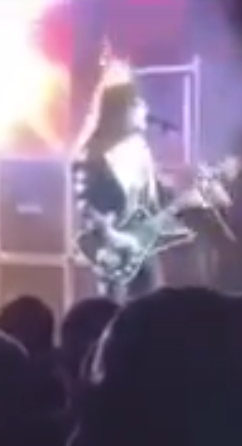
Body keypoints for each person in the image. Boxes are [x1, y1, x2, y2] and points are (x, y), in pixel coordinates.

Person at [71, 58, 191, 302]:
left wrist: (180, 193)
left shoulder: (140, 150)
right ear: (121, 110)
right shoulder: (93, 154)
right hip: (115, 252)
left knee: (150, 309)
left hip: (144, 249)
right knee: (115, 310)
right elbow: (86, 206)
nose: (145, 108)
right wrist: (111, 236)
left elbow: (153, 199)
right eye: (137, 103)